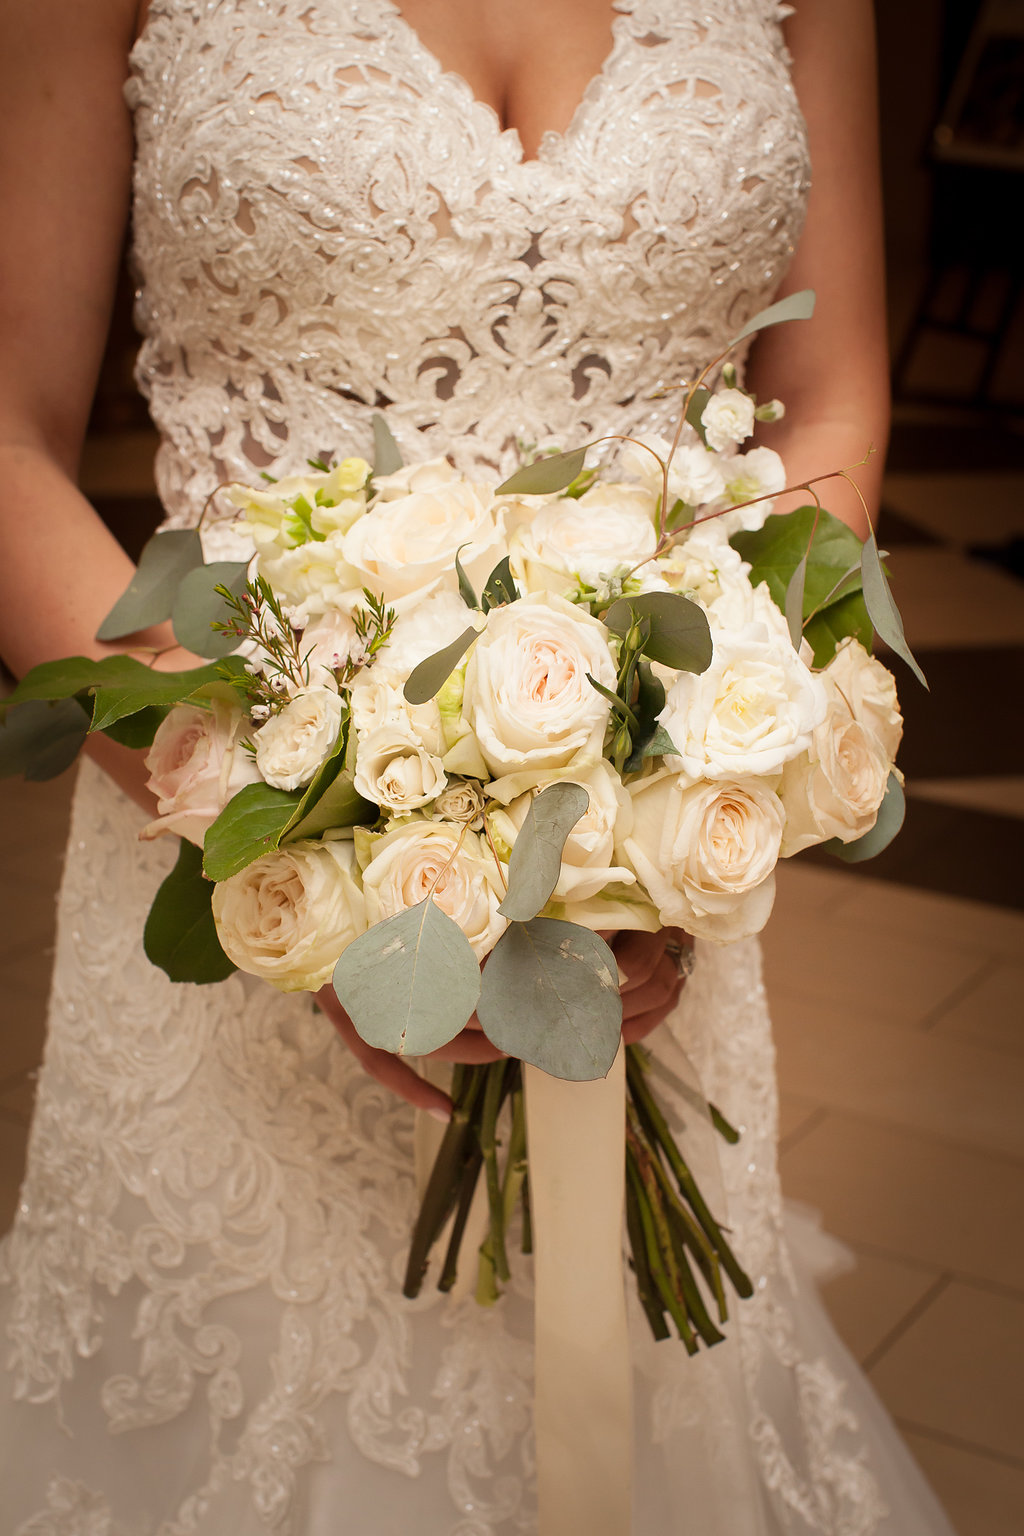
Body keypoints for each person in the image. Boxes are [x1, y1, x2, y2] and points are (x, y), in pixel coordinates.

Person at [0, 1, 955, 1531]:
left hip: (634, 897)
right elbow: (6, 431)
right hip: (228, 844)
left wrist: (686, 776)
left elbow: (829, 398)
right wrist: (292, 838)